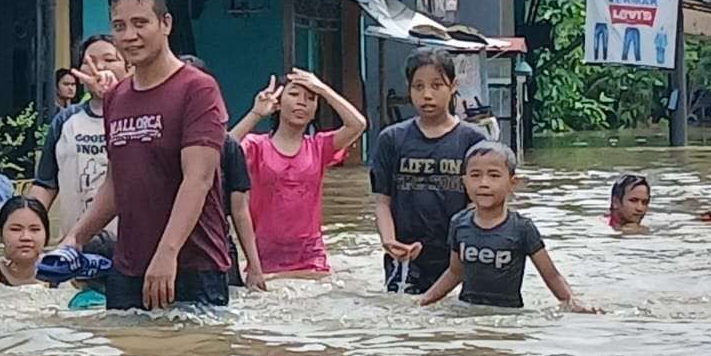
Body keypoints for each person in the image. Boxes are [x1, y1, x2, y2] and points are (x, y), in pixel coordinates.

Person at [60, 0, 231, 310]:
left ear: (165, 24)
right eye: (119, 26)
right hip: (129, 266)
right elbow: (115, 182)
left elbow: (198, 180)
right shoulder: (117, 98)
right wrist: (75, 238)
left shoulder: (198, 89)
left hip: (191, 267)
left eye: (140, 23)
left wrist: (167, 253)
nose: (129, 36)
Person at [420, 142, 594, 312]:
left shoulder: (522, 229)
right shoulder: (459, 223)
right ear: (464, 181)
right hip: (467, 312)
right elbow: (455, 272)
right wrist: (424, 300)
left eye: (494, 175)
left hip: (508, 316)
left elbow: (551, 275)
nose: (483, 183)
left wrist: (572, 302)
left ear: (512, 183)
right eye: (475, 175)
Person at [371, 47, 489, 295]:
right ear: (409, 88)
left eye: (437, 86)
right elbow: (382, 201)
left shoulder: (473, 140)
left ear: (453, 86)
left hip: (457, 257)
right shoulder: (391, 139)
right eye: (418, 86)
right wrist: (389, 242)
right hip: (404, 258)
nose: (427, 95)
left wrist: (468, 245)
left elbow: (480, 203)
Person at [230, 68, 367, 279]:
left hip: (311, 261)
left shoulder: (319, 147)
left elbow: (357, 124)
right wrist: (256, 113)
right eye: (294, 94)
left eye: (310, 98)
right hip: (263, 262)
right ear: (278, 103)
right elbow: (223, 150)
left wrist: (323, 89)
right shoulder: (256, 147)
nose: (302, 102)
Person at [180, 55, 267, 293]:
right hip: (166, 250)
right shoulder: (157, 140)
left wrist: (254, 265)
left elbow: (240, 211)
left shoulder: (228, 147)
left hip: (215, 251)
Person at [33, 34, 126, 241]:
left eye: (110, 60)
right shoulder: (65, 121)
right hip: (75, 247)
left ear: (129, 67)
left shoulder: (140, 116)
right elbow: (45, 184)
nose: (99, 67)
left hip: (129, 248)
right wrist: (28, 224)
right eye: (88, 62)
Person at [0, 196, 52, 287]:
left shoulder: (61, 276)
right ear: (0, 234)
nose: (25, 237)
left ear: (47, 234)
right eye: (15, 229)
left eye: (35, 229)